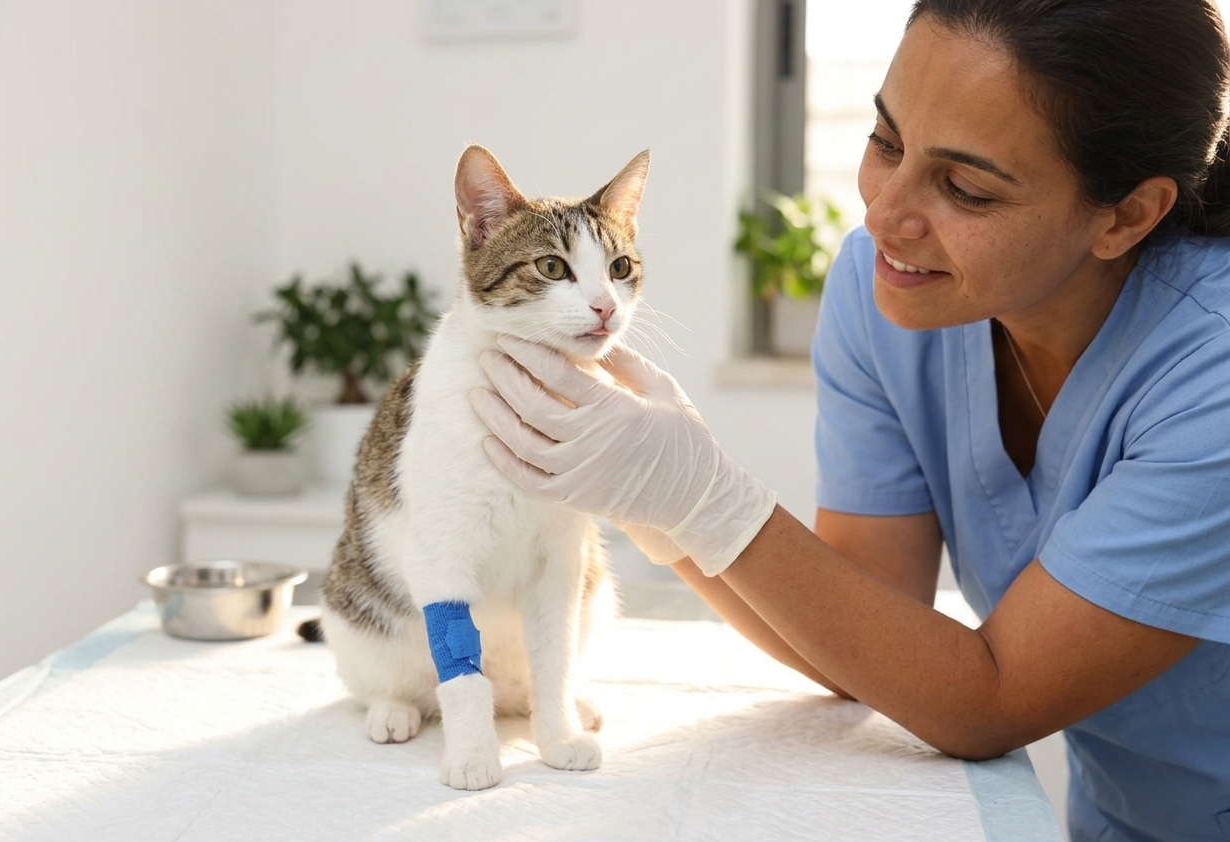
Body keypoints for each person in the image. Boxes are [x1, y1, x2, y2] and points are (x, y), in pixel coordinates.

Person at [467, 0, 1230, 838]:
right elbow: (864, 650)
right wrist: (663, 512)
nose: (882, 214)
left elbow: (989, 698)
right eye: (886, 142)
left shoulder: (1212, 369)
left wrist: (707, 498)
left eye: (966, 189)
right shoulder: (892, 292)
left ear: (1126, 216)